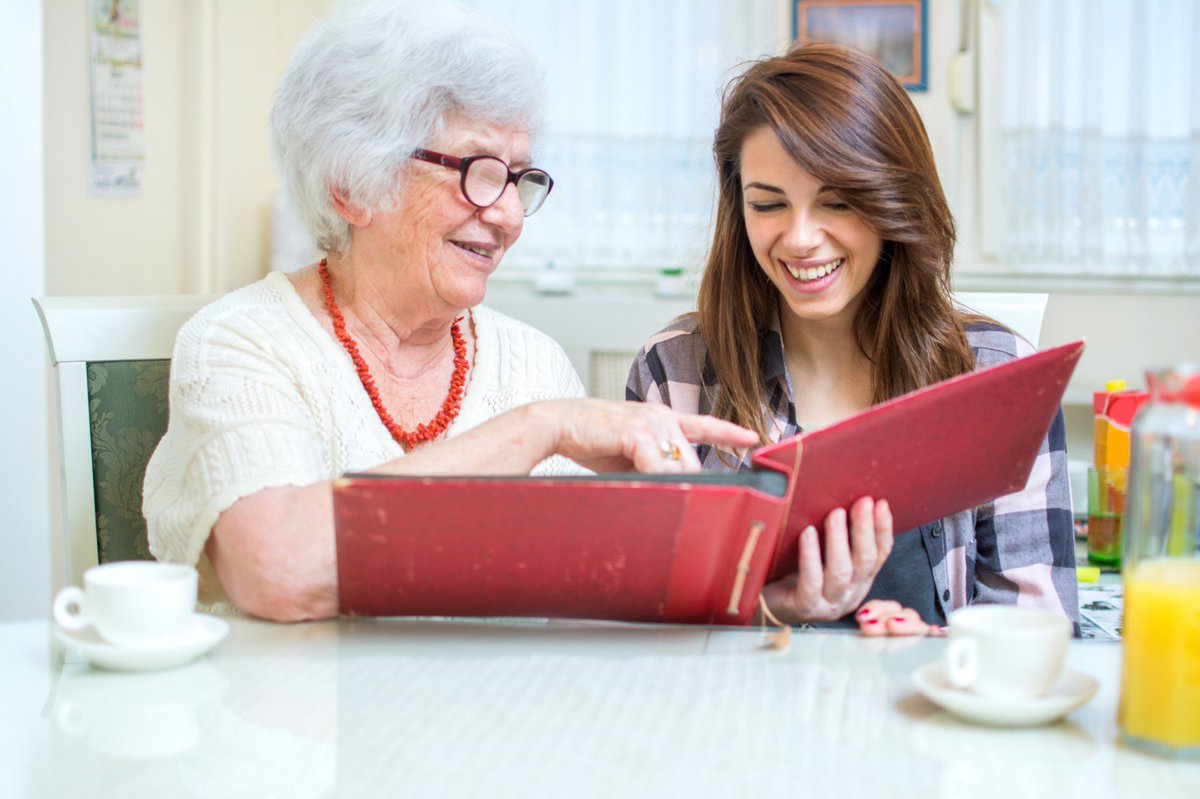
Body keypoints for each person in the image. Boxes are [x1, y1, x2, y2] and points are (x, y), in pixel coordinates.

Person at [143, 0, 758, 623]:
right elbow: (279, 571)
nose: (511, 216)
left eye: (519, 178)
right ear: (352, 186)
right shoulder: (243, 342)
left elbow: (583, 602)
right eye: (478, 171)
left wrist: (756, 592)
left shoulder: (530, 363)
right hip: (291, 716)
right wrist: (534, 430)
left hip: (496, 714)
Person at [627, 43, 1077, 635]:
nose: (801, 238)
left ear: (893, 201)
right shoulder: (673, 372)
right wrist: (768, 610)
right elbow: (641, 626)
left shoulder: (1002, 375)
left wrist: (936, 654)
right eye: (768, 204)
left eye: (837, 201)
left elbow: (1043, 634)